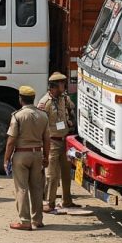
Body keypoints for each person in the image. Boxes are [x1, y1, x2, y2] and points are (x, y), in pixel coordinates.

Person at [4, 86, 50, 230]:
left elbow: (11, 140)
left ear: (20, 99)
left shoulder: (17, 116)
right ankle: (37, 220)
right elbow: (47, 139)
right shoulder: (43, 115)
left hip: (21, 155)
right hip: (37, 154)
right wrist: (46, 156)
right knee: (37, 188)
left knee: (21, 188)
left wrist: (6, 159)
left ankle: (25, 221)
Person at [40, 72, 78, 212]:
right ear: (54, 86)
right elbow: (41, 125)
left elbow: (72, 111)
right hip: (52, 142)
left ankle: (67, 201)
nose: (64, 85)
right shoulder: (45, 103)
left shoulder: (64, 99)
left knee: (66, 173)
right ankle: (50, 203)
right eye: (62, 83)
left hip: (65, 141)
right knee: (51, 174)